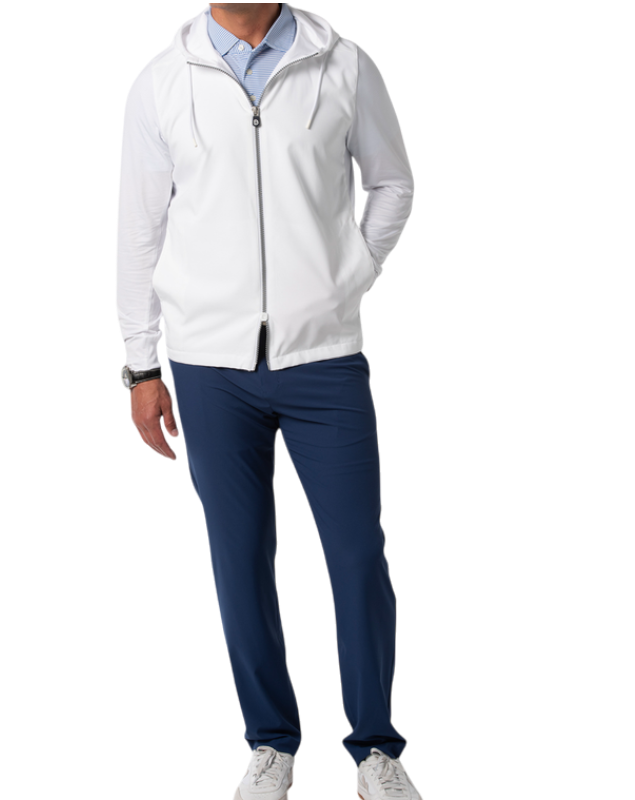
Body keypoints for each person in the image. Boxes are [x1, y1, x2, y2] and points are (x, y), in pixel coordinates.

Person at [115, 4, 418, 799]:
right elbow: (139, 228)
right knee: (238, 559)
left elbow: (392, 182)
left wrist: (350, 277)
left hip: (325, 358)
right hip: (208, 366)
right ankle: (270, 744)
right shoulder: (161, 79)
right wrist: (142, 365)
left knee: (356, 555)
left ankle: (376, 749)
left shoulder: (343, 63)